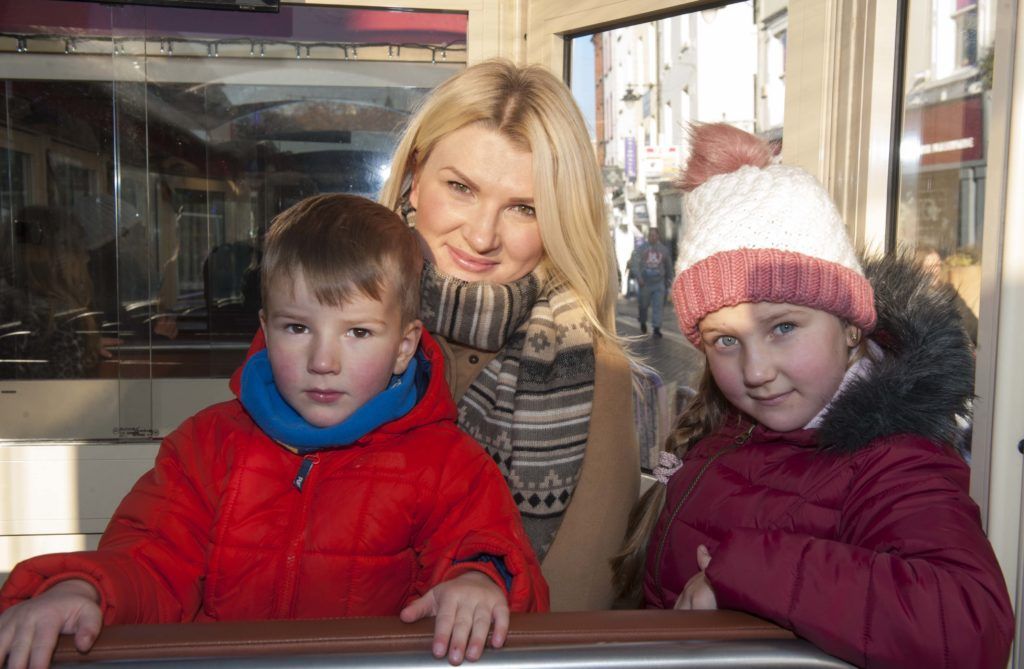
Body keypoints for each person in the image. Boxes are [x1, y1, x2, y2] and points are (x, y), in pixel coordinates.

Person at [0, 194, 548, 669]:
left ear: (404, 347)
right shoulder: (206, 447)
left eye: (358, 331)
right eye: (297, 327)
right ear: (265, 330)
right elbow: (150, 556)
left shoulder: (448, 464)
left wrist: (479, 583)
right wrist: (83, 587)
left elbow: (485, 547)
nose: (323, 359)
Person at [612, 124, 1013, 668]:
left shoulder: (893, 458)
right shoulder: (720, 427)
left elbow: (969, 623)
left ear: (850, 325)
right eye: (725, 341)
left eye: (783, 328)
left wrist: (745, 574)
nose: (755, 372)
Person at [379, 59, 642, 610]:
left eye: (524, 208)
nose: (480, 235)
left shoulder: (593, 365)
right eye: (460, 188)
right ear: (412, 181)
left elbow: (573, 606)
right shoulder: (328, 314)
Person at [0, 206, 103, 379]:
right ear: (57, 258)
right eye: (78, 247)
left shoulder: (11, 309)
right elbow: (64, 395)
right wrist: (83, 344)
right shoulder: (60, 319)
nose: (86, 257)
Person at [628, 228, 672, 337]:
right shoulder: (641, 249)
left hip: (659, 283)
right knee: (643, 305)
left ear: (658, 236)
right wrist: (639, 277)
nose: (652, 237)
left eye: (654, 235)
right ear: (648, 236)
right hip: (645, 283)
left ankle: (656, 328)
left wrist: (669, 280)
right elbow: (635, 264)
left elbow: (668, 266)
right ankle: (642, 321)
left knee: (658, 306)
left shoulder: (664, 250)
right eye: (650, 235)